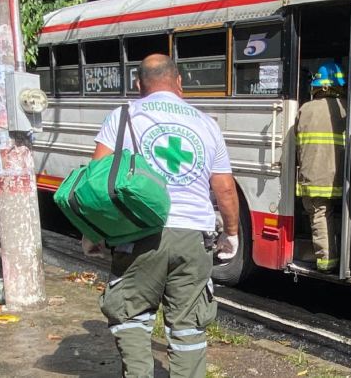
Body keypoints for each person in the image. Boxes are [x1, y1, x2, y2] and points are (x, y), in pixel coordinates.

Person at [90, 54, 240, 377]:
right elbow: (225, 189)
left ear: (138, 85)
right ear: (180, 82)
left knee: (130, 316)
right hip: (194, 238)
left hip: (139, 233)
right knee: (188, 327)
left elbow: (98, 179)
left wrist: (92, 234)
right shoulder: (206, 123)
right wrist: (232, 234)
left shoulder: (122, 116)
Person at [295, 61, 347, 273]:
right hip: (342, 176)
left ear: (320, 86)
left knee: (319, 214)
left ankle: (326, 263)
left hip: (315, 178)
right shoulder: (347, 109)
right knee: (339, 215)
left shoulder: (305, 109)